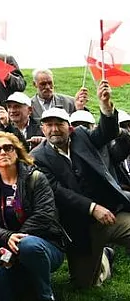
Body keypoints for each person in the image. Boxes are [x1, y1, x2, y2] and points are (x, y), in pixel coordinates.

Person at [31, 81, 129, 289]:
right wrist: (92, 209)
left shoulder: (82, 136)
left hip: (113, 214)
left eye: (59, 124)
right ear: (42, 128)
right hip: (80, 226)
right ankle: (105, 255)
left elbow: (106, 133)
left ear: (70, 126)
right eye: (49, 125)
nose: (54, 129)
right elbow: (58, 191)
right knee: (84, 285)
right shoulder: (37, 157)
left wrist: (106, 106)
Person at [0, 131, 67, 301]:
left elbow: (44, 215)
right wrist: (7, 237)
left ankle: (45, 294)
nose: (2, 152)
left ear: (16, 152)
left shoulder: (36, 178)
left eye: (8, 148)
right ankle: (27, 279)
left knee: (28, 245)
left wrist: (15, 243)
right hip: (6, 251)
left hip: (44, 245)